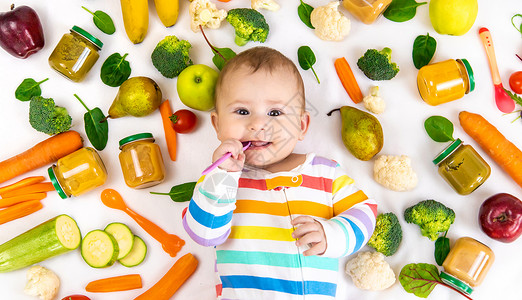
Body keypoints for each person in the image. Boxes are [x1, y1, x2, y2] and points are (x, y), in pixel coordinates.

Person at [182, 46, 377, 299]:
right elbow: (204, 234)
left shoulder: (325, 173)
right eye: (242, 112)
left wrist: (332, 235)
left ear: (301, 125)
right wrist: (222, 175)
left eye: (275, 113)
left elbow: (365, 213)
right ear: (218, 125)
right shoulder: (222, 180)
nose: (258, 125)